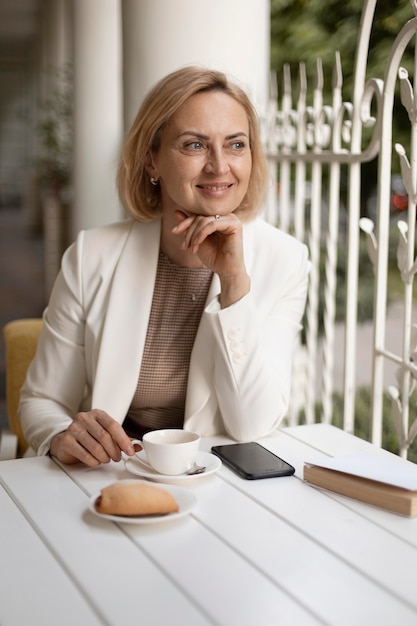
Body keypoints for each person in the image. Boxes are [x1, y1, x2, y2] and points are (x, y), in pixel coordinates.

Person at [19, 66, 309, 467]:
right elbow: (42, 400)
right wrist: (60, 435)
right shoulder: (92, 254)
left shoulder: (285, 260)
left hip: (217, 483)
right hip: (110, 474)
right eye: (194, 145)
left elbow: (252, 425)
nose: (220, 166)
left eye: (236, 145)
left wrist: (234, 285)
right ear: (152, 160)